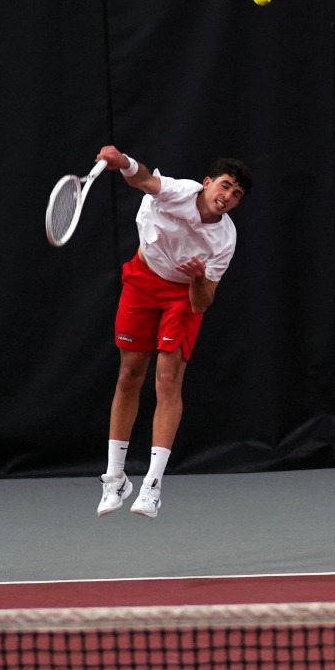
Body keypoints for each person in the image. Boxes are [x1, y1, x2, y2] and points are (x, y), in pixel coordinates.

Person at [93, 146, 252, 519]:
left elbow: (202, 303)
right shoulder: (179, 191)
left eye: (237, 195)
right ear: (208, 183)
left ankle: (152, 484)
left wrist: (197, 277)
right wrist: (122, 162)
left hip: (183, 297)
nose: (227, 197)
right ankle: (115, 477)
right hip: (142, 281)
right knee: (130, 375)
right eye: (225, 186)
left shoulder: (224, 240)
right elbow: (143, 179)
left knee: (167, 380)